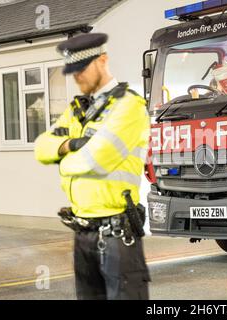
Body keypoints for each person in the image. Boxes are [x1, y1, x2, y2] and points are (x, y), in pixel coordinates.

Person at [34, 33, 151, 300]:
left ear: (103, 60)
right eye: (72, 72)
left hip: (117, 236)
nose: (77, 77)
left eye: (82, 69)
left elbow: (95, 161)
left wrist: (62, 160)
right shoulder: (78, 110)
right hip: (83, 234)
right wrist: (69, 145)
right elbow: (41, 147)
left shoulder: (129, 105)